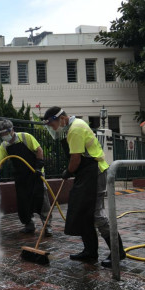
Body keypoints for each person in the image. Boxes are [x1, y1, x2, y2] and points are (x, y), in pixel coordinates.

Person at [41, 106, 126, 268]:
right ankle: (90, 251)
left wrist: (68, 172)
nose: (52, 128)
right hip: (86, 173)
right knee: (82, 211)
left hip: (95, 172)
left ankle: (118, 252)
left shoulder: (75, 130)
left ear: (62, 119)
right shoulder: (74, 126)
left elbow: (76, 160)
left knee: (96, 214)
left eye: (52, 124)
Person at [0, 119, 52, 236]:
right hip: (21, 176)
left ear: (12, 130)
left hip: (35, 173)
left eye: (5, 133)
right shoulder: (4, 145)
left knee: (41, 199)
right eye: (1, 134)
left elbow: (39, 150)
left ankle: (47, 226)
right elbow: (0, 161)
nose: (3, 136)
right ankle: (29, 225)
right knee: (23, 201)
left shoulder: (26, 137)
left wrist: (39, 166)